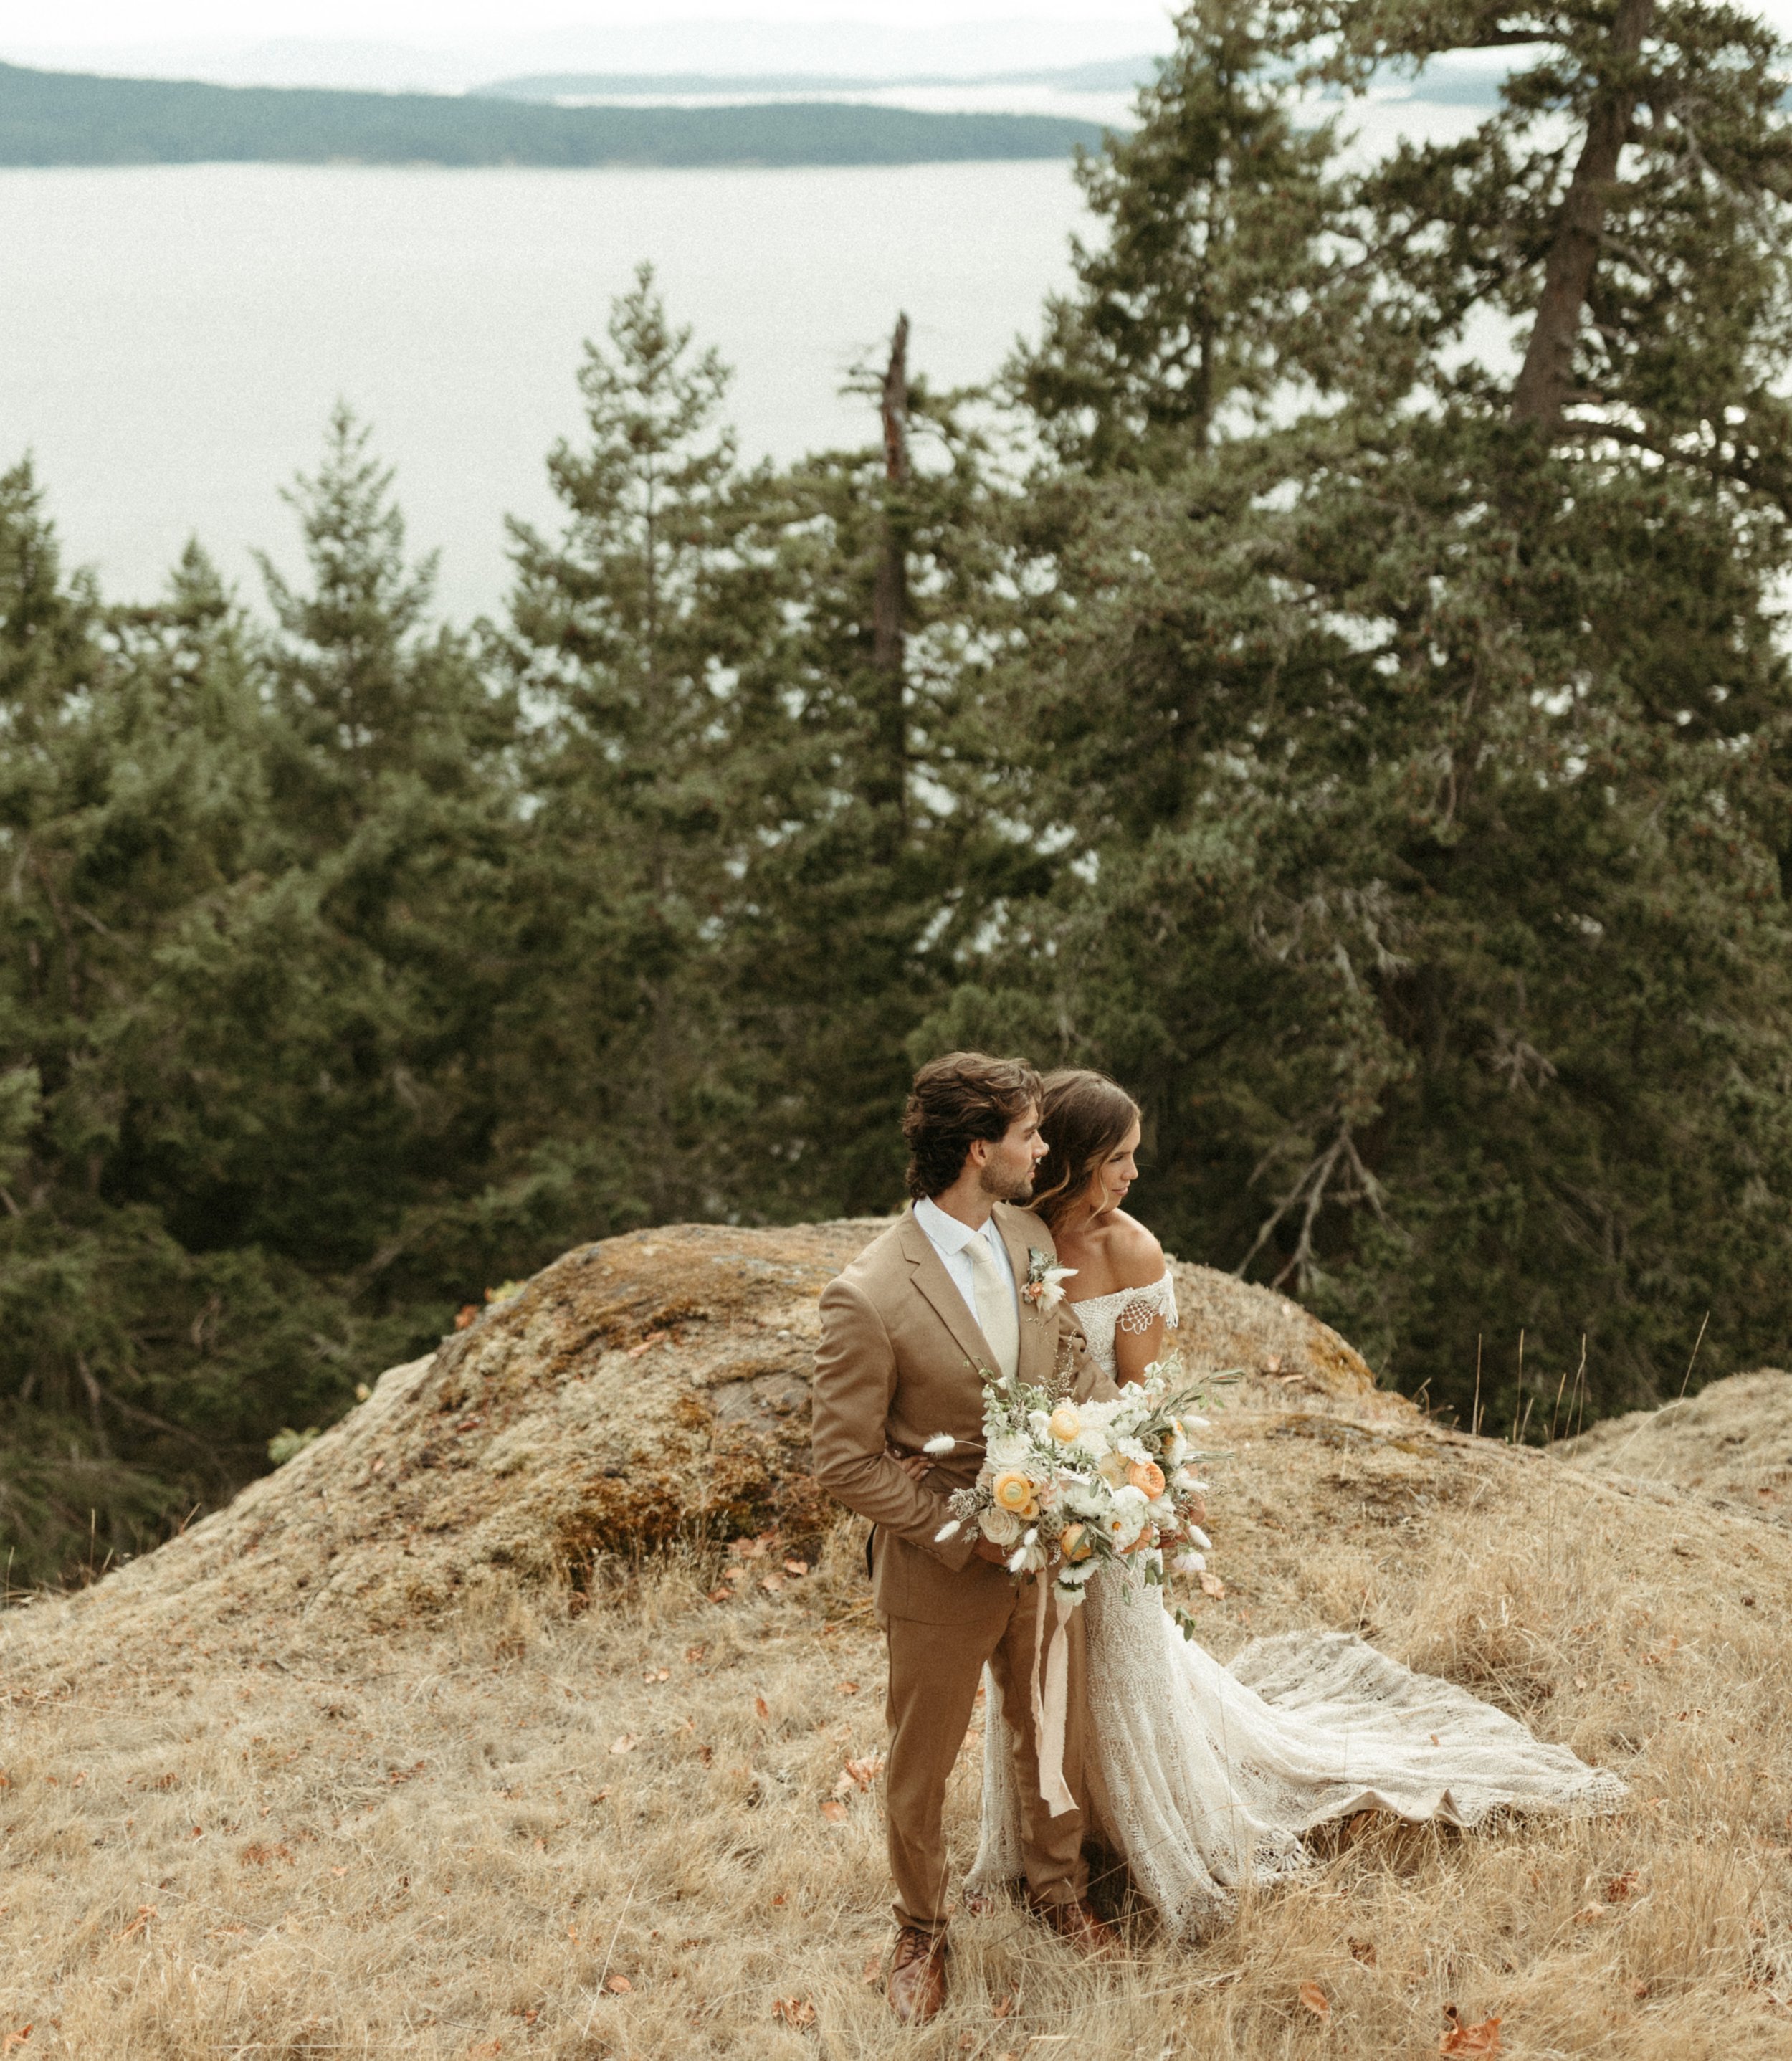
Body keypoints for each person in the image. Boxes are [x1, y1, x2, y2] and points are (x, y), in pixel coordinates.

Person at [963, 1067, 1626, 1935]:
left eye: (1134, 1156)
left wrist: (1138, 1490)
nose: (1132, 1174)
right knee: (1032, 1671)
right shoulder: (1010, 1241)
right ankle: (1041, 1848)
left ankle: (1139, 1828)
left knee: (1119, 1662)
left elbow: (1144, 1403)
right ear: (1075, 1155)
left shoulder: (1133, 1254)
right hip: (1034, 1497)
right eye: (1117, 1157)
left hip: (1107, 1502)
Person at [810, 1052, 1122, 2026]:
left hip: (1048, 1544)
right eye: (1029, 1134)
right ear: (978, 1149)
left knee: (1052, 1725)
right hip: (939, 1567)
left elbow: (1066, 1360)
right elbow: (843, 1459)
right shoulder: (868, 1292)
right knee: (922, 1762)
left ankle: (1060, 1891)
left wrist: (1102, 1454)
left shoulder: (1028, 1236)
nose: (1044, 1149)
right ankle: (920, 1929)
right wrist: (960, 1530)